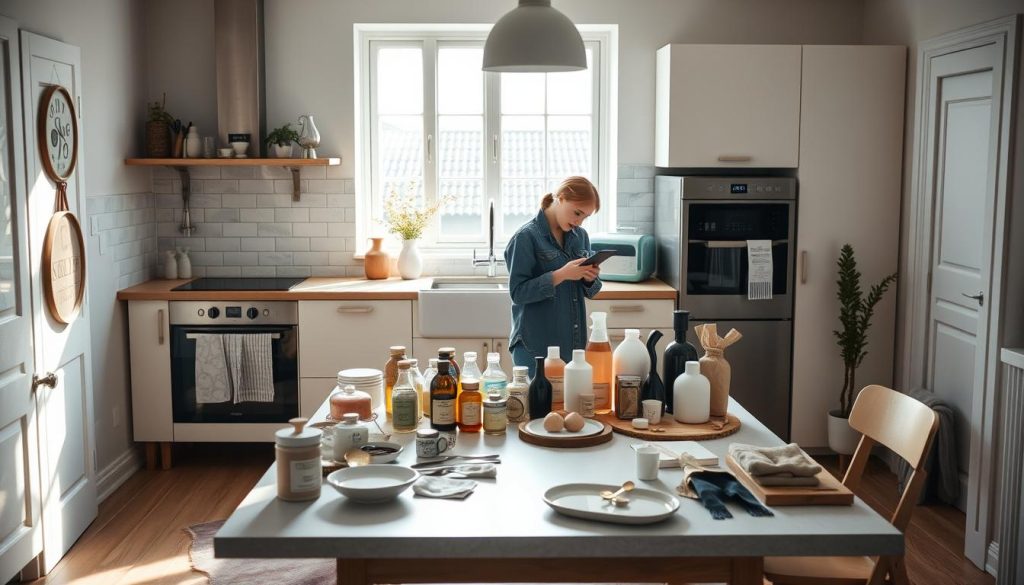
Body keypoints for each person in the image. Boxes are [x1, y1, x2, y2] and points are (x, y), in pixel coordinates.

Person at [504, 176, 603, 376]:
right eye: (577, 213)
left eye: (585, 217)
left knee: (569, 408)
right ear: (560, 197)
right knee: (539, 406)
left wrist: (589, 277)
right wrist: (561, 274)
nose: (579, 221)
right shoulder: (525, 237)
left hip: (572, 346)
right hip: (535, 348)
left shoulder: (580, 236)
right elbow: (518, 293)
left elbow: (591, 290)